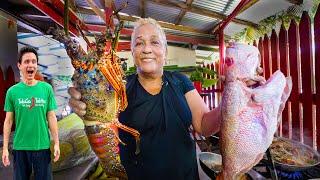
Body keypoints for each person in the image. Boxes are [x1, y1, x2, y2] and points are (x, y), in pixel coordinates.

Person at [68, 18, 263, 179]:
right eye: (139, 43)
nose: (146, 49)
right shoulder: (119, 87)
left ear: (165, 50)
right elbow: (100, 118)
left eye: (154, 42)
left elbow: (204, 125)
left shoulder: (180, 81)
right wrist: (84, 104)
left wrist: (236, 95)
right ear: (133, 52)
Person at [2, 46, 60, 180]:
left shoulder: (46, 89)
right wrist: (5, 148)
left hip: (42, 146)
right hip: (20, 148)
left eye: (34, 62)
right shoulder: (12, 92)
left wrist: (56, 142)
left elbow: (51, 117)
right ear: (19, 65)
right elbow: (8, 121)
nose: (31, 65)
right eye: (27, 61)